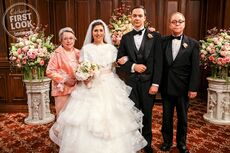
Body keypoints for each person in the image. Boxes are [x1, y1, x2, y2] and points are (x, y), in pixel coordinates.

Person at [49, 19, 147, 153]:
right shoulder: (86, 49)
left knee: (113, 117)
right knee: (85, 118)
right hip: (91, 84)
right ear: (92, 32)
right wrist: (86, 76)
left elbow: (114, 66)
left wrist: (121, 62)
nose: (98, 33)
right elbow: (82, 67)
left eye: (101, 30)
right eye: (96, 30)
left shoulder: (111, 48)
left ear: (104, 32)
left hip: (109, 84)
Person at [117, 5, 163, 153]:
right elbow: (120, 60)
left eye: (139, 16)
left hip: (149, 83)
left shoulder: (155, 37)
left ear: (144, 18)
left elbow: (158, 62)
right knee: (133, 114)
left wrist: (155, 84)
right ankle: (135, 143)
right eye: (134, 15)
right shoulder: (125, 38)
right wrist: (133, 66)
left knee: (148, 115)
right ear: (131, 18)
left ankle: (147, 144)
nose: (137, 18)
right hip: (131, 83)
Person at [160, 12, 200, 153]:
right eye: (174, 21)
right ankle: (167, 142)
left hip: (183, 88)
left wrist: (193, 88)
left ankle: (181, 143)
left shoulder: (193, 44)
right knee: (166, 117)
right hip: (166, 87)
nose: (177, 24)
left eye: (180, 21)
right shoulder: (162, 41)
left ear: (184, 24)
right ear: (170, 24)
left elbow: (195, 68)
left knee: (183, 118)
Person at [46, 27, 80, 115]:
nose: (68, 41)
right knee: (63, 115)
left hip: (77, 89)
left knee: (75, 115)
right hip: (62, 90)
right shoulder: (56, 54)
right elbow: (49, 71)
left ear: (74, 39)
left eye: (71, 38)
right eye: (65, 39)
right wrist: (65, 80)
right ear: (61, 40)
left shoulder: (78, 53)